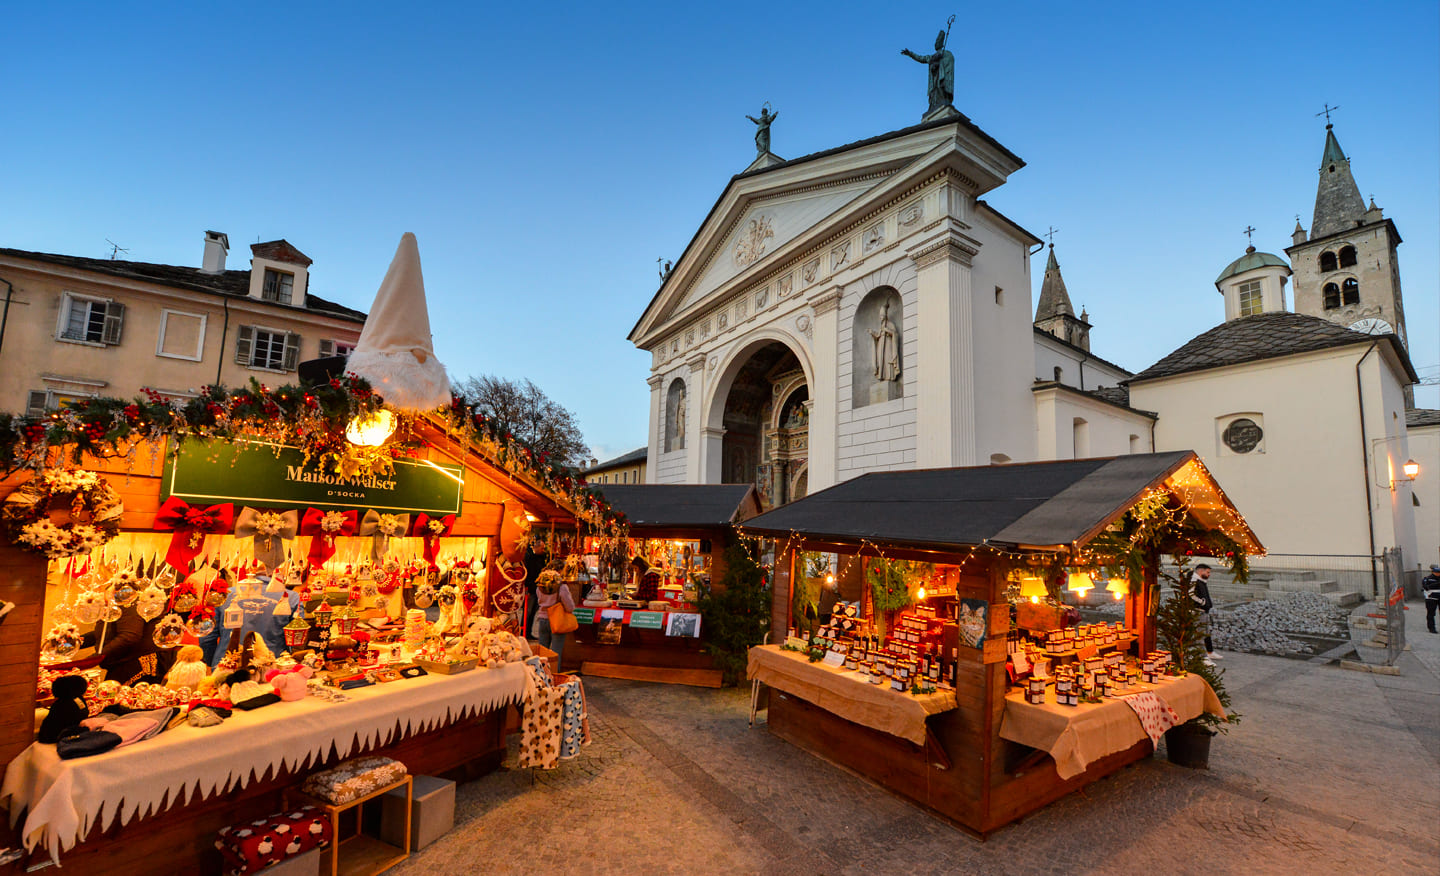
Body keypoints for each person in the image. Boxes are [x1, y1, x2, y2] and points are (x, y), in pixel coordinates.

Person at [81, 604, 175, 685]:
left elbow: (129, 636)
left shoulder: (127, 600)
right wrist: (76, 641)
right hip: (127, 662)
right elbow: (108, 632)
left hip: (136, 663)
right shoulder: (115, 602)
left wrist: (94, 658)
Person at [533, 569, 577, 667]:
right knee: (556, 652)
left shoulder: (540, 586)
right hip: (557, 620)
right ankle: (553, 673)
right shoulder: (561, 587)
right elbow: (570, 607)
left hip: (542, 619)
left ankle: (540, 672)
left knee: (542, 651)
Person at [1191, 563, 1220, 663]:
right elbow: (1190, 594)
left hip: (1204, 611)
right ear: (1200, 571)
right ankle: (1202, 657)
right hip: (1198, 611)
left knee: (1206, 632)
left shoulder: (1201, 581)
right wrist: (1202, 602)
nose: (1209, 574)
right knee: (1200, 634)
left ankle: (1209, 651)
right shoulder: (1194, 580)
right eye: (1207, 572)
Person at [1423, 564, 1440, 634]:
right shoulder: (1427, 578)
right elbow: (1426, 587)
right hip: (1431, 598)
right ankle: (1431, 628)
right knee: (1431, 613)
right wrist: (1437, 584)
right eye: (1437, 572)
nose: (1438, 574)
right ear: (1433, 572)